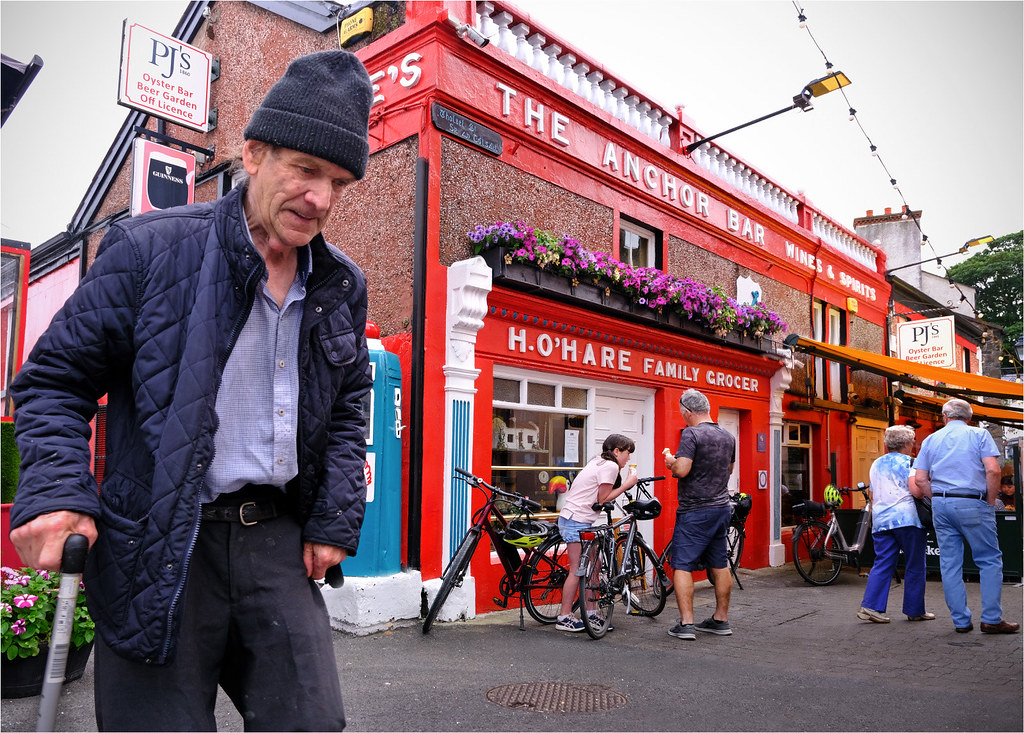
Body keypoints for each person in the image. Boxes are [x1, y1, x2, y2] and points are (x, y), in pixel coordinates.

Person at [9, 50, 376, 729]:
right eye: (304, 169)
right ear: (254, 152)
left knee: (313, 722)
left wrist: (333, 516)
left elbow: (351, 403)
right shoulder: (148, 251)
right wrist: (57, 489)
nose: (320, 197)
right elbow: (54, 380)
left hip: (276, 541)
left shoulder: (341, 285)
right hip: (161, 537)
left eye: (338, 181)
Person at [914, 399, 1019, 635]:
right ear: (969, 418)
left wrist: (938, 499)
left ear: (944, 416)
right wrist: (991, 500)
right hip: (973, 501)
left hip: (941, 503)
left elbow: (920, 480)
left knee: (950, 564)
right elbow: (992, 470)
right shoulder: (979, 435)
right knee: (989, 559)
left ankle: (961, 621)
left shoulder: (930, 439)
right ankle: (991, 618)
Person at [663, 388, 735, 640]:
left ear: (687, 411)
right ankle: (720, 619)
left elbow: (682, 470)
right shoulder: (727, 435)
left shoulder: (691, 434)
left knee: (682, 565)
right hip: (721, 508)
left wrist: (671, 461)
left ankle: (686, 624)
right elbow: (730, 468)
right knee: (720, 563)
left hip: (695, 510)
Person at [555, 433, 637, 632]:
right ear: (617, 451)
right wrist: (628, 484)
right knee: (577, 569)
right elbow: (603, 499)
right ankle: (564, 617)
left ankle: (591, 614)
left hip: (578, 519)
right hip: (576, 520)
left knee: (594, 565)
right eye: (627, 453)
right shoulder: (610, 466)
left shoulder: (598, 461)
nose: (629, 458)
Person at [856, 425, 935, 624]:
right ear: (907, 444)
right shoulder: (911, 462)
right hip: (908, 520)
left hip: (882, 520)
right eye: (912, 441)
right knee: (915, 565)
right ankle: (915, 610)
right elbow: (915, 491)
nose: (913, 445)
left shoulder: (876, 464)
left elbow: (873, 494)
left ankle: (871, 607)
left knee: (882, 563)